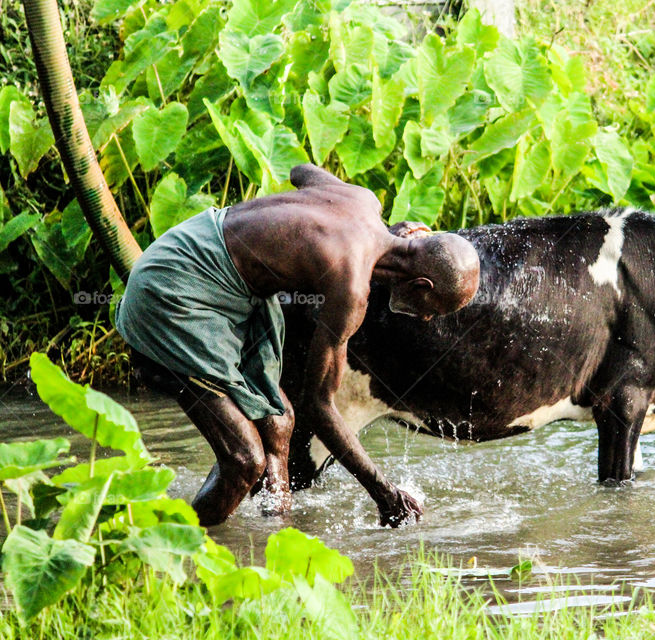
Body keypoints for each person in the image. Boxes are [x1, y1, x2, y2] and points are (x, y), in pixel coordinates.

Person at [115, 164, 480, 527]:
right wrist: (385, 493)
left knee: (279, 420)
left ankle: (276, 529)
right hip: (174, 288)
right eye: (435, 310)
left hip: (211, 261)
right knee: (244, 461)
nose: (428, 319)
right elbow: (319, 405)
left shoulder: (363, 201)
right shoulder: (351, 290)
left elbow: (300, 171)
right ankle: (174, 549)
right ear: (421, 287)